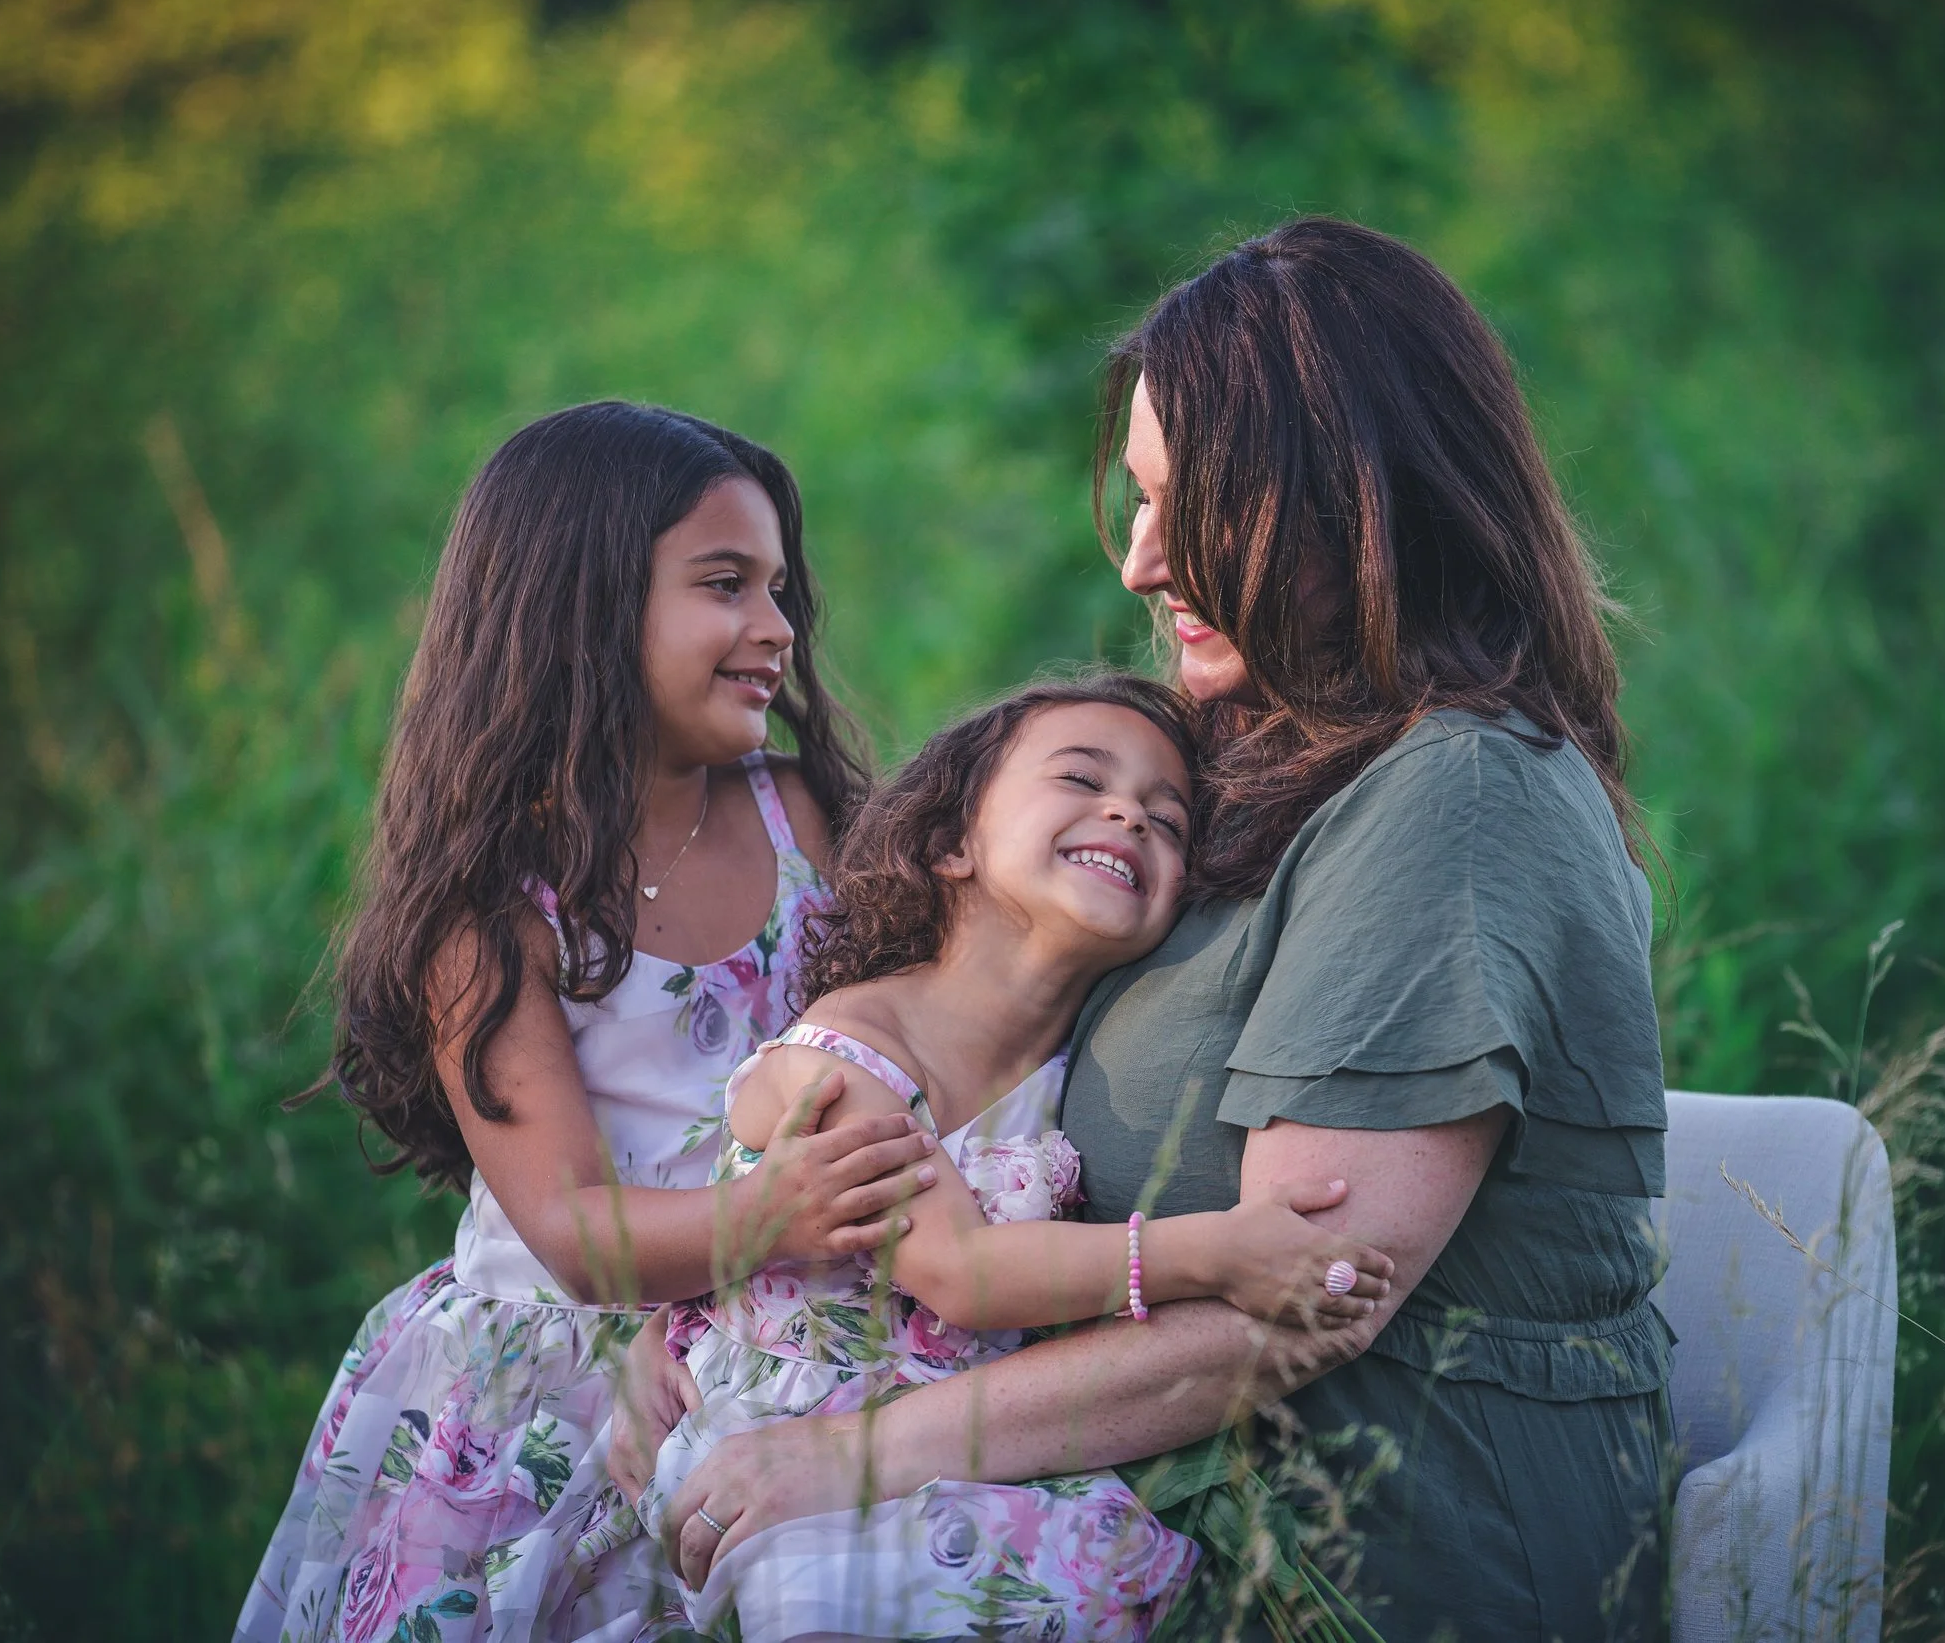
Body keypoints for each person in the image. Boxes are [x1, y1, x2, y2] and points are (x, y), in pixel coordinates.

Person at [623, 219, 1675, 1642]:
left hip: (1341, 1535)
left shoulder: (1458, 797)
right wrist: (708, 1320)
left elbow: (1306, 1303)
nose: (1138, 560)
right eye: (1136, 497)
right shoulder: (1244, 754)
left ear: (1352, 505)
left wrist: (853, 1452)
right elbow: (954, 1061)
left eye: (1193, 506)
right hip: (1118, 1478)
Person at [236, 401, 945, 1643]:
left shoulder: (803, 817)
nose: (776, 628)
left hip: (770, 1342)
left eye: (780, 589)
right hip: (548, 1390)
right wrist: (772, 1211)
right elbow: (568, 1225)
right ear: (580, 604)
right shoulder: (493, 907)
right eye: (725, 584)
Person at [625, 675, 1395, 1641]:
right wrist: (1218, 1251)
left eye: (1169, 819)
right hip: (783, 1443)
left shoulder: (1073, 1070)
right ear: (952, 843)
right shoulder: (845, 1053)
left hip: (946, 1449)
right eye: (1082, 778)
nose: (1130, 814)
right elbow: (962, 1274)